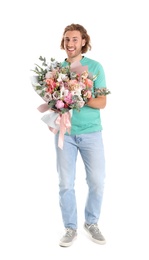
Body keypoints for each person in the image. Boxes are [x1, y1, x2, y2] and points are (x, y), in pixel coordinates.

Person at [55, 23, 107, 247]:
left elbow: (102, 102)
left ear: (83, 41)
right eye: (67, 39)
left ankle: (91, 222)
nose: (70, 44)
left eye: (75, 39)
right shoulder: (57, 70)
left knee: (97, 181)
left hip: (91, 133)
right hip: (65, 134)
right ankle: (70, 227)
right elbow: (54, 103)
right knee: (65, 183)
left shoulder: (95, 67)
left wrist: (80, 96)